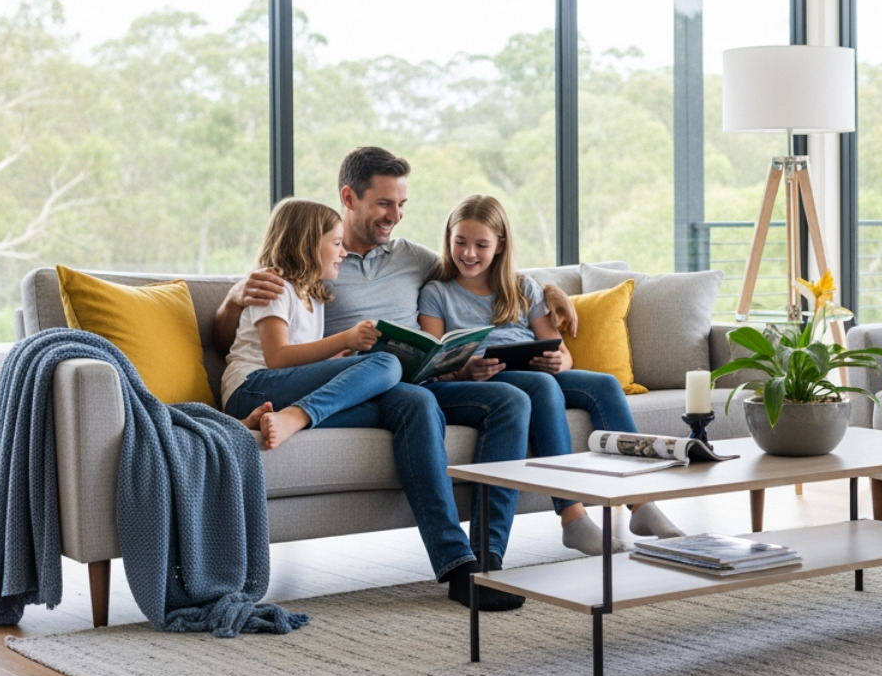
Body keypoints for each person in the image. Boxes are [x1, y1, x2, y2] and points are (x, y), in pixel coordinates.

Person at [215, 147, 574, 612]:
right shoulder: (318, 261)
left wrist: (549, 290)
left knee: (510, 401)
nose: (395, 216)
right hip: (363, 385)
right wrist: (234, 296)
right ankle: (454, 563)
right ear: (349, 196)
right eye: (385, 204)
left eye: (402, 204)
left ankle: (486, 561)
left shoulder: (415, 259)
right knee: (414, 402)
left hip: (416, 380)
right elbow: (242, 336)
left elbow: (481, 268)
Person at [418, 194, 683, 554]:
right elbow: (433, 360)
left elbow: (560, 351)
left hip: (535, 371)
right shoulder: (437, 293)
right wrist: (466, 368)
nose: (469, 253)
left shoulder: (522, 287)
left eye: (481, 244)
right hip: (482, 379)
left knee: (603, 384)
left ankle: (639, 500)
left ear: (500, 246)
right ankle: (572, 516)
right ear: (448, 239)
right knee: (541, 385)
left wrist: (560, 362)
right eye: (460, 242)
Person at [220, 198, 400, 451]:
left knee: (378, 411)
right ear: (307, 245)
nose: (343, 253)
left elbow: (296, 360)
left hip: (273, 395)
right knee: (387, 364)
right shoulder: (275, 286)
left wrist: (334, 360)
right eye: (337, 243)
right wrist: (345, 339)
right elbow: (278, 358)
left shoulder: (314, 296)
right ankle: (297, 416)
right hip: (251, 388)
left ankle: (279, 419)